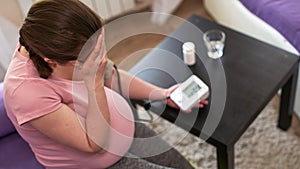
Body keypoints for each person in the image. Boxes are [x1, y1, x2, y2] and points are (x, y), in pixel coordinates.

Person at [3, 0, 208, 168]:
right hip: (98, 161)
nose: (99, 57)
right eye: (90, 56)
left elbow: (110, 75)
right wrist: (94, 82)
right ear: (50, 60)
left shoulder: (62, 45)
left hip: (120, 126)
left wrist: (162, 94)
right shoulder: (26, 94)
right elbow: (94, 145)